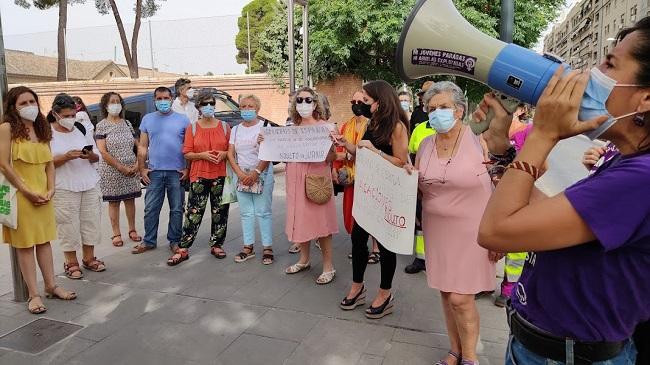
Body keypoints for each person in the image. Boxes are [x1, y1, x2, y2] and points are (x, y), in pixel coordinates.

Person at [476, 18, 650, 365]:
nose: (590, 73)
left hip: (568, 356)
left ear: (645, 98)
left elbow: (496, 231)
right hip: (548, 348)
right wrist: (502, 152)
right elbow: (541, 220)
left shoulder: (642, 178)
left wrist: (542, 135)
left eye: (609, 64)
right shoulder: (624, 162)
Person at [405, 81, 500, 365]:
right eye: (431, 109)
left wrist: (498, 235)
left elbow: (501, 183)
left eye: (444, 107)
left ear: (459, 110)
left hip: (473, 229)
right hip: (438, 229)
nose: (436, 113)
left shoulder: (479, 138)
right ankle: (454, 351)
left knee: (461, 298)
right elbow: (422, 186)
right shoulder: (424, 144)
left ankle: (470, 358)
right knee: (447, 294)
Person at [0, 86, 76, 314]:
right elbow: (3, 164)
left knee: (44, 241)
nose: (29, 107)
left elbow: (49, 164)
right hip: (21, 195)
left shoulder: (41, 128)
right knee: (25, 245)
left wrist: (50, 189)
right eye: (23, 103)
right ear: (13, 107)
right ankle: (33, 295)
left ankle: (51, 285)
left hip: (44, 195)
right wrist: (27, 191)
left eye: (32, 101)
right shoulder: (6, 129)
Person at [338, 80, 409, 319]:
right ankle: (357, 286)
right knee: (358, 238)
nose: (362, 105)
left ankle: (385, 292)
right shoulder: (373, 123)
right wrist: (346, 145)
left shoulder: (397, 127)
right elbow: (362, 152)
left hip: (387, 194)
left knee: (386, 245)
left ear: (380, 101)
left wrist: (376, 150)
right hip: (367, 191)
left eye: (366, 101)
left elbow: (401, 162)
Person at [271, 86, 338, 285]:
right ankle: (304, 259)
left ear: (315, 103)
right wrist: (265, 141)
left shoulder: (326, 127)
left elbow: (333, 157)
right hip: (295, 180)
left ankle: (328, 266)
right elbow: (277, 153)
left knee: (322, 223)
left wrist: (329, 146)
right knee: (299, 220)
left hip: (316, 181)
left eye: (308, 100)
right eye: (299, 100)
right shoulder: (290, 130)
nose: (303, 104)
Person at [166, 91, 231, 265]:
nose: (209, 107)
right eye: (205, 104)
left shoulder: (225, 127)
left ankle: (217, 244)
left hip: (220, 175)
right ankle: (184, 248)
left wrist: (224, 154)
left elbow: (232, 151)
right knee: (194, 213)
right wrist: (202, 155)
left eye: (211, 103)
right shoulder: (192, 128)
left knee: (220, 212)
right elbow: (187, 153)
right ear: (199, 107)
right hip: (199, 175)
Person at [48, 94, 105, 279]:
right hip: (64, 185)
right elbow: (44, 163)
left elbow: (97, 155)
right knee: (67, 225)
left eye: (73, 114)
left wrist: (90, 156)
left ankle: (89, 258)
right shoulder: (47, 133)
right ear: (55, 114)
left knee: (91, 221)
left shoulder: (81, 128)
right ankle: (71, 262)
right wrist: (65, 157)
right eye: (66, 115)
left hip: (88, 181)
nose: (70, 119)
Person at [134, 86, 190, 254]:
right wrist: (142, 168)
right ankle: (149, 241)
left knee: (177, 208)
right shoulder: (148, 119)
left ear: (172, 99)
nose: (163, 101)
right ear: (154, 100)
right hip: (154, 172)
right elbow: (143, 146)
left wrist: (187, 168)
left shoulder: (183, 120)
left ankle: (175, 241)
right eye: (159, 99)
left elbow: (188, 147)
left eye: (166, 98)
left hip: (176, 172)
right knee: (151, 208)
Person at [332, 91, 381, 264]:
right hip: (351, 178)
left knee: (372, 212)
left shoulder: (374, 125)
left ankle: (375, 249)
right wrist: (335, 169)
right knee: (352, 212)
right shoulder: (346, 125)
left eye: (361, 101)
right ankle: (358, 246)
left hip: (371, 177)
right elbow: (339, 151)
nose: (356, 104)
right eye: (353, 101)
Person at [226, 94, 275, 265]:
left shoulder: (265, 127)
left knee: (263, 211)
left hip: (262, 175)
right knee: (246, 213)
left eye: (250, 106)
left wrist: (256, 172)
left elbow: (269, 152)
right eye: (243, 107)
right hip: (241, 175)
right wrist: (239, 173)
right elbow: (230, 154)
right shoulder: (235, 130)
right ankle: (248, 246)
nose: (246, 110)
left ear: (257, 109)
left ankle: (267, 247)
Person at [95, 92, 143, 247]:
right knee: (114, 202)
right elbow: (102, 151)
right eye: (112, 102)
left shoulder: (127, 123)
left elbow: (138, 145)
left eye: (118, 101)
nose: (116, 104)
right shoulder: (101, 125)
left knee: (130, 200)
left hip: (131, 168)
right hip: (112, 170)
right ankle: (116, 233)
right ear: (105, 106)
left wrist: (138, 164)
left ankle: (132, 230)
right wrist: (120, 167)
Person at [403, 109, 436, 275]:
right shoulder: (419, 128)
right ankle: (421, 258)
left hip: (443, 186)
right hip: (421, 184)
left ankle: (439, 259)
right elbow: (410, 154)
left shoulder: (457, 131)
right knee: (420, 222)